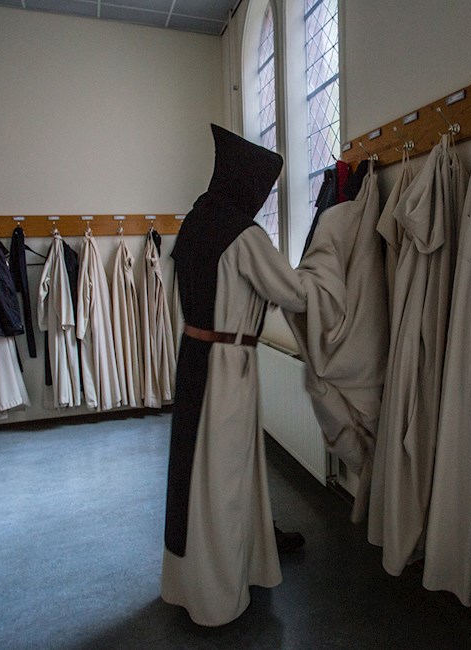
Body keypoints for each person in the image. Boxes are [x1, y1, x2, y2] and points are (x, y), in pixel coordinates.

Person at [161, 125, 308, 627]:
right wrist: (332, 272)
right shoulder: (244, 236)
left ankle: (195, 579)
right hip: (225, 371)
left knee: (196, 477)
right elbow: (293, 292)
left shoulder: (195, 222)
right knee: (224, 480)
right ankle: (219, 594)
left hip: (195, 359)